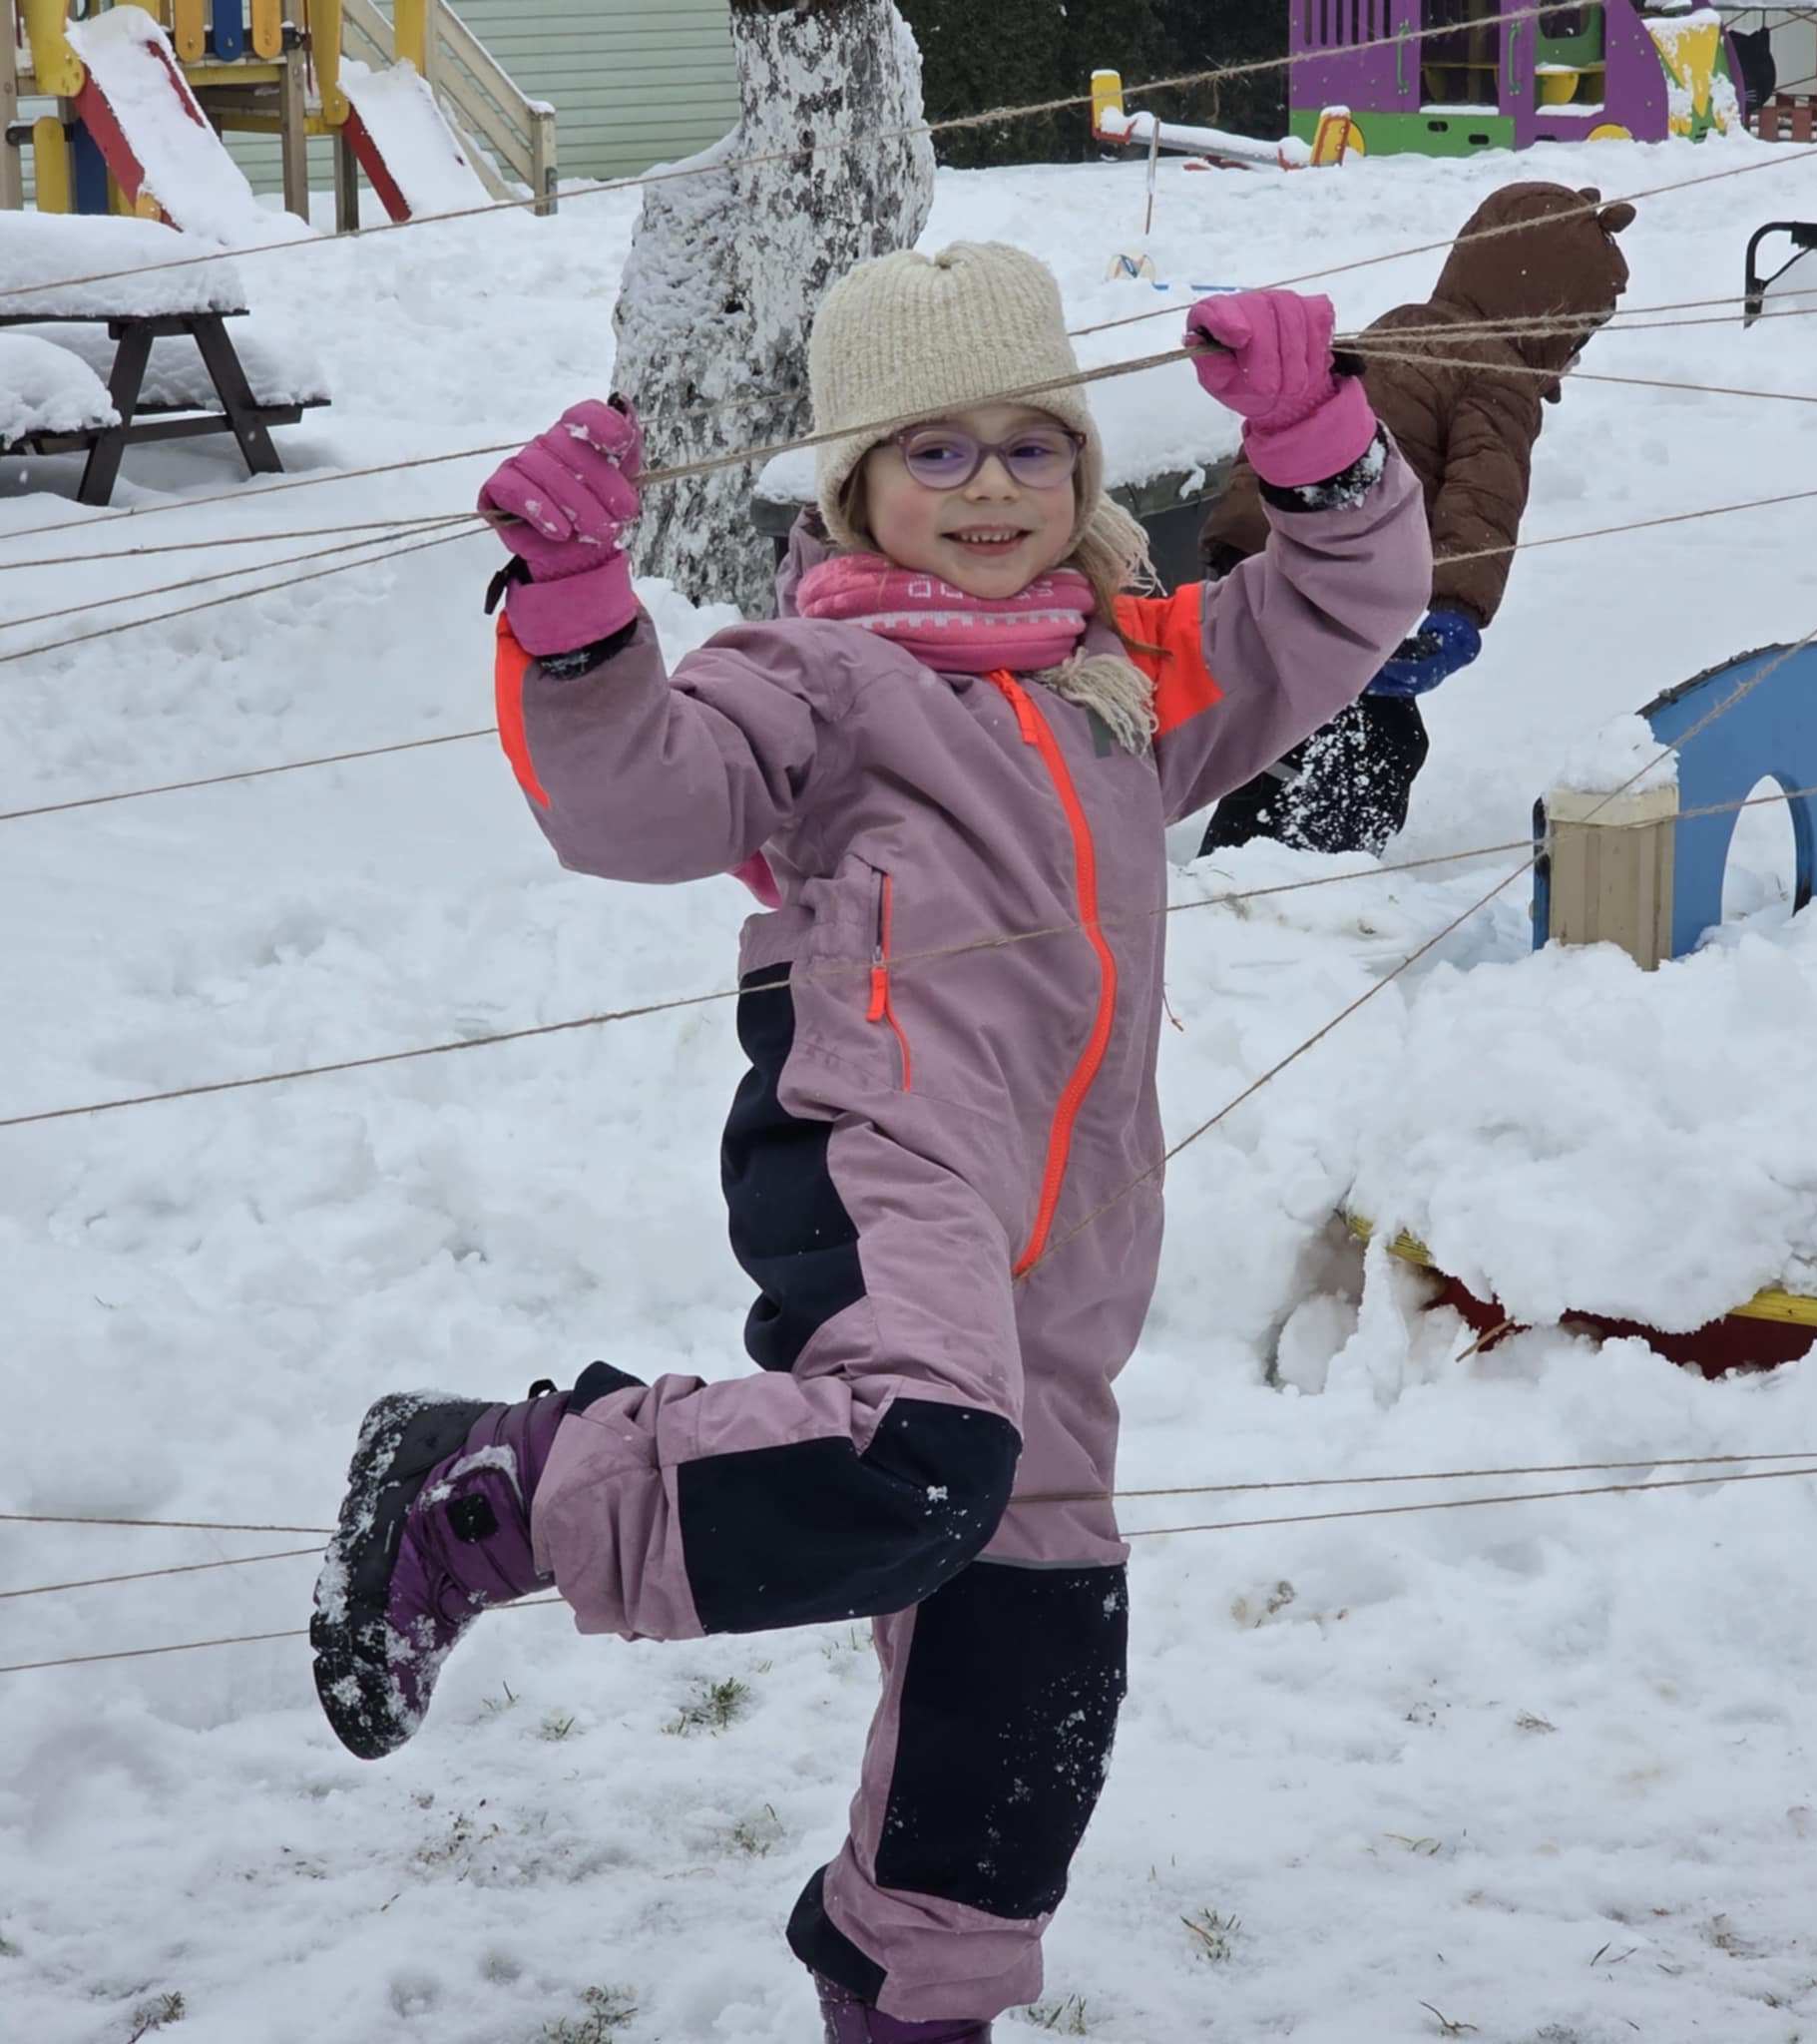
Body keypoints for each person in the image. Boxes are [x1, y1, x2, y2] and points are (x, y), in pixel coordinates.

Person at [311, 243, 1429, 2043]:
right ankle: (496, 1487)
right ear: (854, 483)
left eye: (1031, 446)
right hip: (879, 1140)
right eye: (935, 450)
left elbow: (1342, 603)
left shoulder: (1123, 679)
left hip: (1072, 1239)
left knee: (1034, 1655)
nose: (992, 487)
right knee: (913, 1457)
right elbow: (636, 801)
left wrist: (1316, 442)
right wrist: (576, 613)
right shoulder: (817, 677)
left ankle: (913, 1999)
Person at [1195, 182, 1635, 860]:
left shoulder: (1398, 327)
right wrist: (1458, 607)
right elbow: (1481, 497)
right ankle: (1301, 877)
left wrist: (1233, 545)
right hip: (1337, 576)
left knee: (1288, 718)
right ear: (1548, 315)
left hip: (1268, 548)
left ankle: (1247, 860)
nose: (1576, 354)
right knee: (1375, 738)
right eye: (1579, 333)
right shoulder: (1495, 374)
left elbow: (1308, 416)